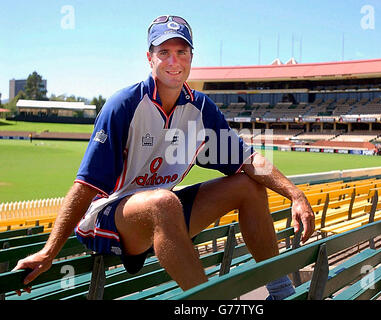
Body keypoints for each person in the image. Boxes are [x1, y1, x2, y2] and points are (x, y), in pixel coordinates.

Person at [13, 15, 315, 299]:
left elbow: (247, 158)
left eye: (182, 52)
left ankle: (281, 291)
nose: (174, 61)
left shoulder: (201, 108)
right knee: (162, 201)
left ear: (192, 58)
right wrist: (49, 252)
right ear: (150, 58)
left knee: (247, 186)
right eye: (164, 52)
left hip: (163, 214)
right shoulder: (124, 105)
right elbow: (86, 185)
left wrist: (296, 195)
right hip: (109, 218)